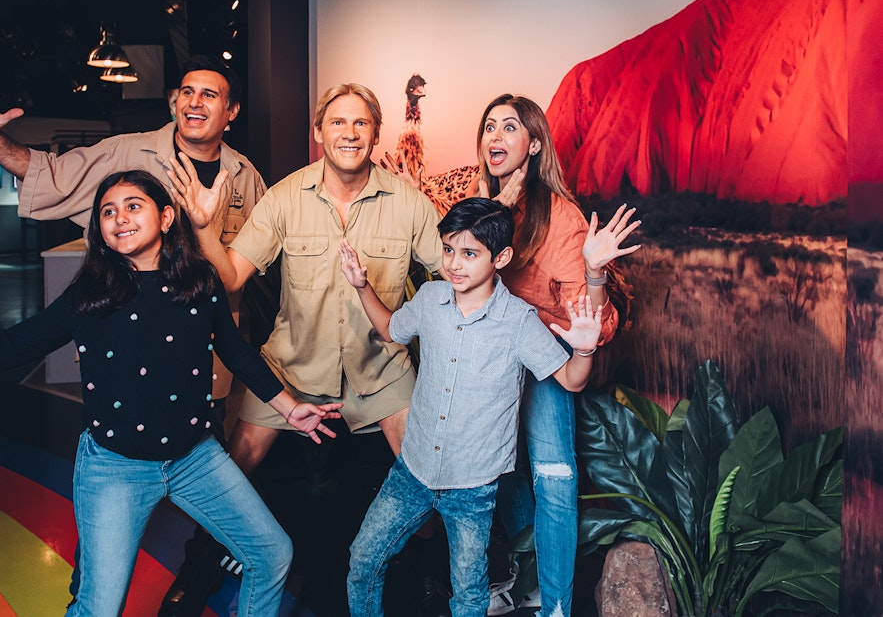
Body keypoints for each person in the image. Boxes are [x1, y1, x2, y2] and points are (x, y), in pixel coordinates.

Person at [0, 170, 343, 616]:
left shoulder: (201, 282)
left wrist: (289, 408)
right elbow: (0, 351)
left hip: (196, 457)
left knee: (271, 553)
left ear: (165, 217)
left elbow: (236, 351)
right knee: (99, 608)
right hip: (114, 467)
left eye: (133, 205)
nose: (119, 217)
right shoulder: (89, 295)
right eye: (108, 211)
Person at [0, 56, 267, 613]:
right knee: (104, 546)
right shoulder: (127, 153)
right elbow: (48, 173)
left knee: (223, 501)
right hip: (129, 370)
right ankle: (91, 586)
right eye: (186, 92)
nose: (194, 102)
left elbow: (243, 272)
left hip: (202, 370)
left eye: (209, 95)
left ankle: (193, 581)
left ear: (231, 111)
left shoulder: (246, 177)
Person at [168, 83, 453, 612]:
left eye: (361, 123)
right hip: (293, 365)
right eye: (337, 122)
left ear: (375, 133)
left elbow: (455, 275)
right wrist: (203, 228)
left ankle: (431, 567)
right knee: (237, 461)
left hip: (381, 367)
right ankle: (201, 558)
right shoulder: (284, 197)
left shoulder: (410, 203)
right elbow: (230, 276)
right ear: (318, 132)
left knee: (424, 471)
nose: (349, 133)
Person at [339, 197, 603, 617]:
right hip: (413, 472)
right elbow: (390, 329)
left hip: (472, 490)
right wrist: (360, 285)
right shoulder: (430, 298)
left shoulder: (519, 321)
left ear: (501, 258)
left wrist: (584, 349)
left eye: (469, 253)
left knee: (468, 596)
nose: (454, 264)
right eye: (448, 249)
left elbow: (572, 380)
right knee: (363, 560)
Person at [472, 95, 640, 617]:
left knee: (554, 474)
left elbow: (593, 323)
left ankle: (557, 605)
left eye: (510, 127)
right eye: (490, 126)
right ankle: (532, 582)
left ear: (534, 144)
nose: (496, 136)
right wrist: (497, 208)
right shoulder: (480, 201)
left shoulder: (559, 215)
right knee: (502, 470)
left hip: (545, 359)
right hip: (492, 359)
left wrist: (593, 273)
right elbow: (460, 275)